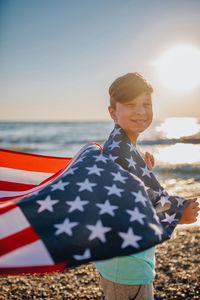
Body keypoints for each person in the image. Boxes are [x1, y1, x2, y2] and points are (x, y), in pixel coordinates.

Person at [93, 72, 200, 300]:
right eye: (131, 104)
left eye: (146, 104)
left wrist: (143, 170)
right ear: (113, 112)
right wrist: (178, 211)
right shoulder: (118, 150)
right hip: (127, 264)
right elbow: (134, 198)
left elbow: (127, 185)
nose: (141, 111)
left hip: (119, 257)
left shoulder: (122, 144)